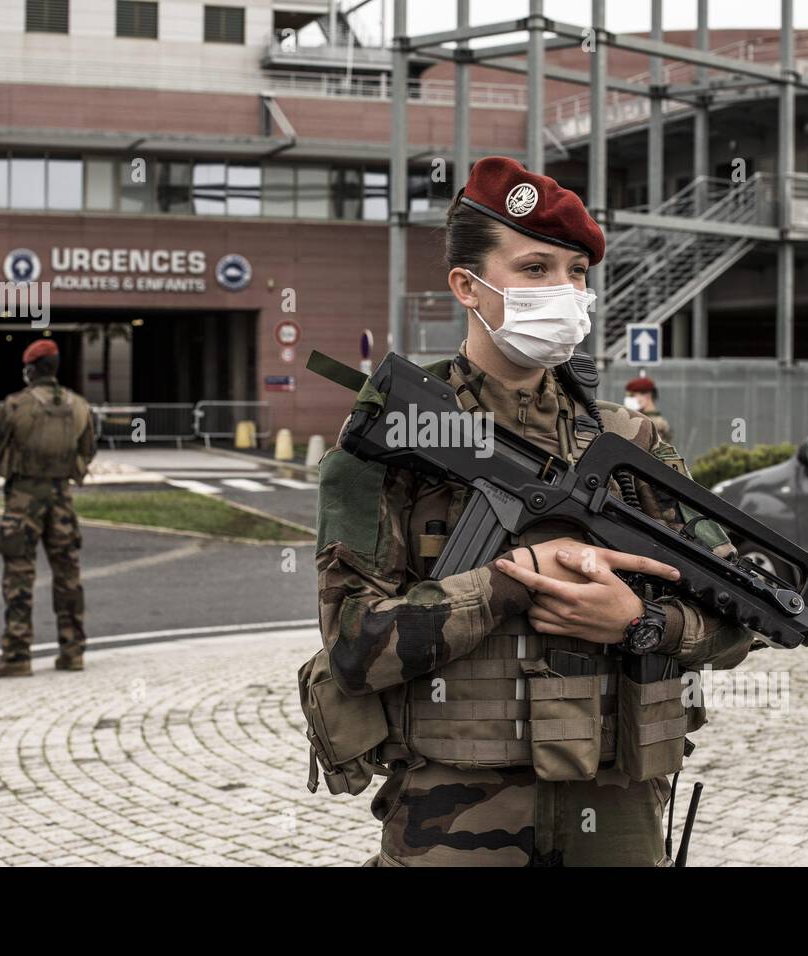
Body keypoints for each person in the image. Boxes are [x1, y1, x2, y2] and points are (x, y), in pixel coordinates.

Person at [315, 156, 755, 866]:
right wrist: (511, 578)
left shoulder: (632, 443)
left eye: (576, 272)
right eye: (534, 269)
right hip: (451, 811)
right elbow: (353, 650)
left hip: (616, 808)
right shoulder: (391, 440)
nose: (565, 290)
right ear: (468, 286)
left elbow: (739, 615)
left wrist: (641, 623)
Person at [0, 339, 96, 677]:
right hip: (62, 501)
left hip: (23, 502)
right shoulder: (80, 407)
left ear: (30, 370)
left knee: (19, 578)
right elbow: (88, 450)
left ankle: (17, 656)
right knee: (68, 576)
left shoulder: (15, 406)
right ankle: (72, 652)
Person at [624, 376, 673, 445]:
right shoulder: (643, 419)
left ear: (647, 396)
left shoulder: (656, 423)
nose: (629, 400)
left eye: (632, 396)